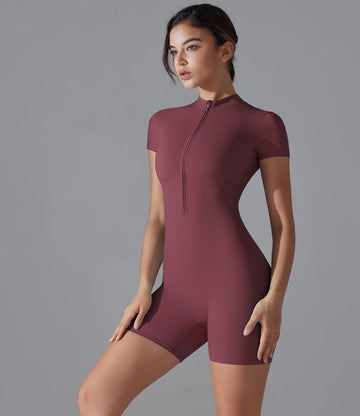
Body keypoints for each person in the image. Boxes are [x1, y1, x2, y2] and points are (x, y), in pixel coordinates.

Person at [78, 3, 295, 415]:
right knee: (96, 397)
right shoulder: (161, 124)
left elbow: (283, 224)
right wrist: (143, 287)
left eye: (191, 47)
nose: (179, 60)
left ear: (225, 50)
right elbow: (158, 218)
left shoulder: (262, 124)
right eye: (173, 51)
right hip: (177, 292)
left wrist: (275, 299)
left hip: (238, 290)